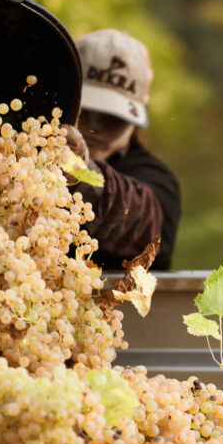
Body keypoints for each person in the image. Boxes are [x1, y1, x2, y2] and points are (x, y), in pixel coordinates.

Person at [64, 29, 180, 271]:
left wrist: (79, 173)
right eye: (85, 110)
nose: (95, 125)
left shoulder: (158, 180)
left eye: (111, 117)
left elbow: (141, 219)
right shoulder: (25, 161)